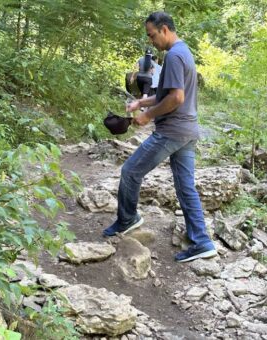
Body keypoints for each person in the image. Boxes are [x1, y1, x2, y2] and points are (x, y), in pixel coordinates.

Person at [103, 11, 217, 263]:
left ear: (164, 29)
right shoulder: (182, 52)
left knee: (130, 171)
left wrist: (147, 116)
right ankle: (202, 241)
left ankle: (127, 219)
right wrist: (141, 103)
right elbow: (167, 93)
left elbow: (176, 99)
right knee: (185, 186)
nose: (151, 41)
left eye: (152, 35)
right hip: (188, 131)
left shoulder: (175, 56)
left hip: (172, 131)